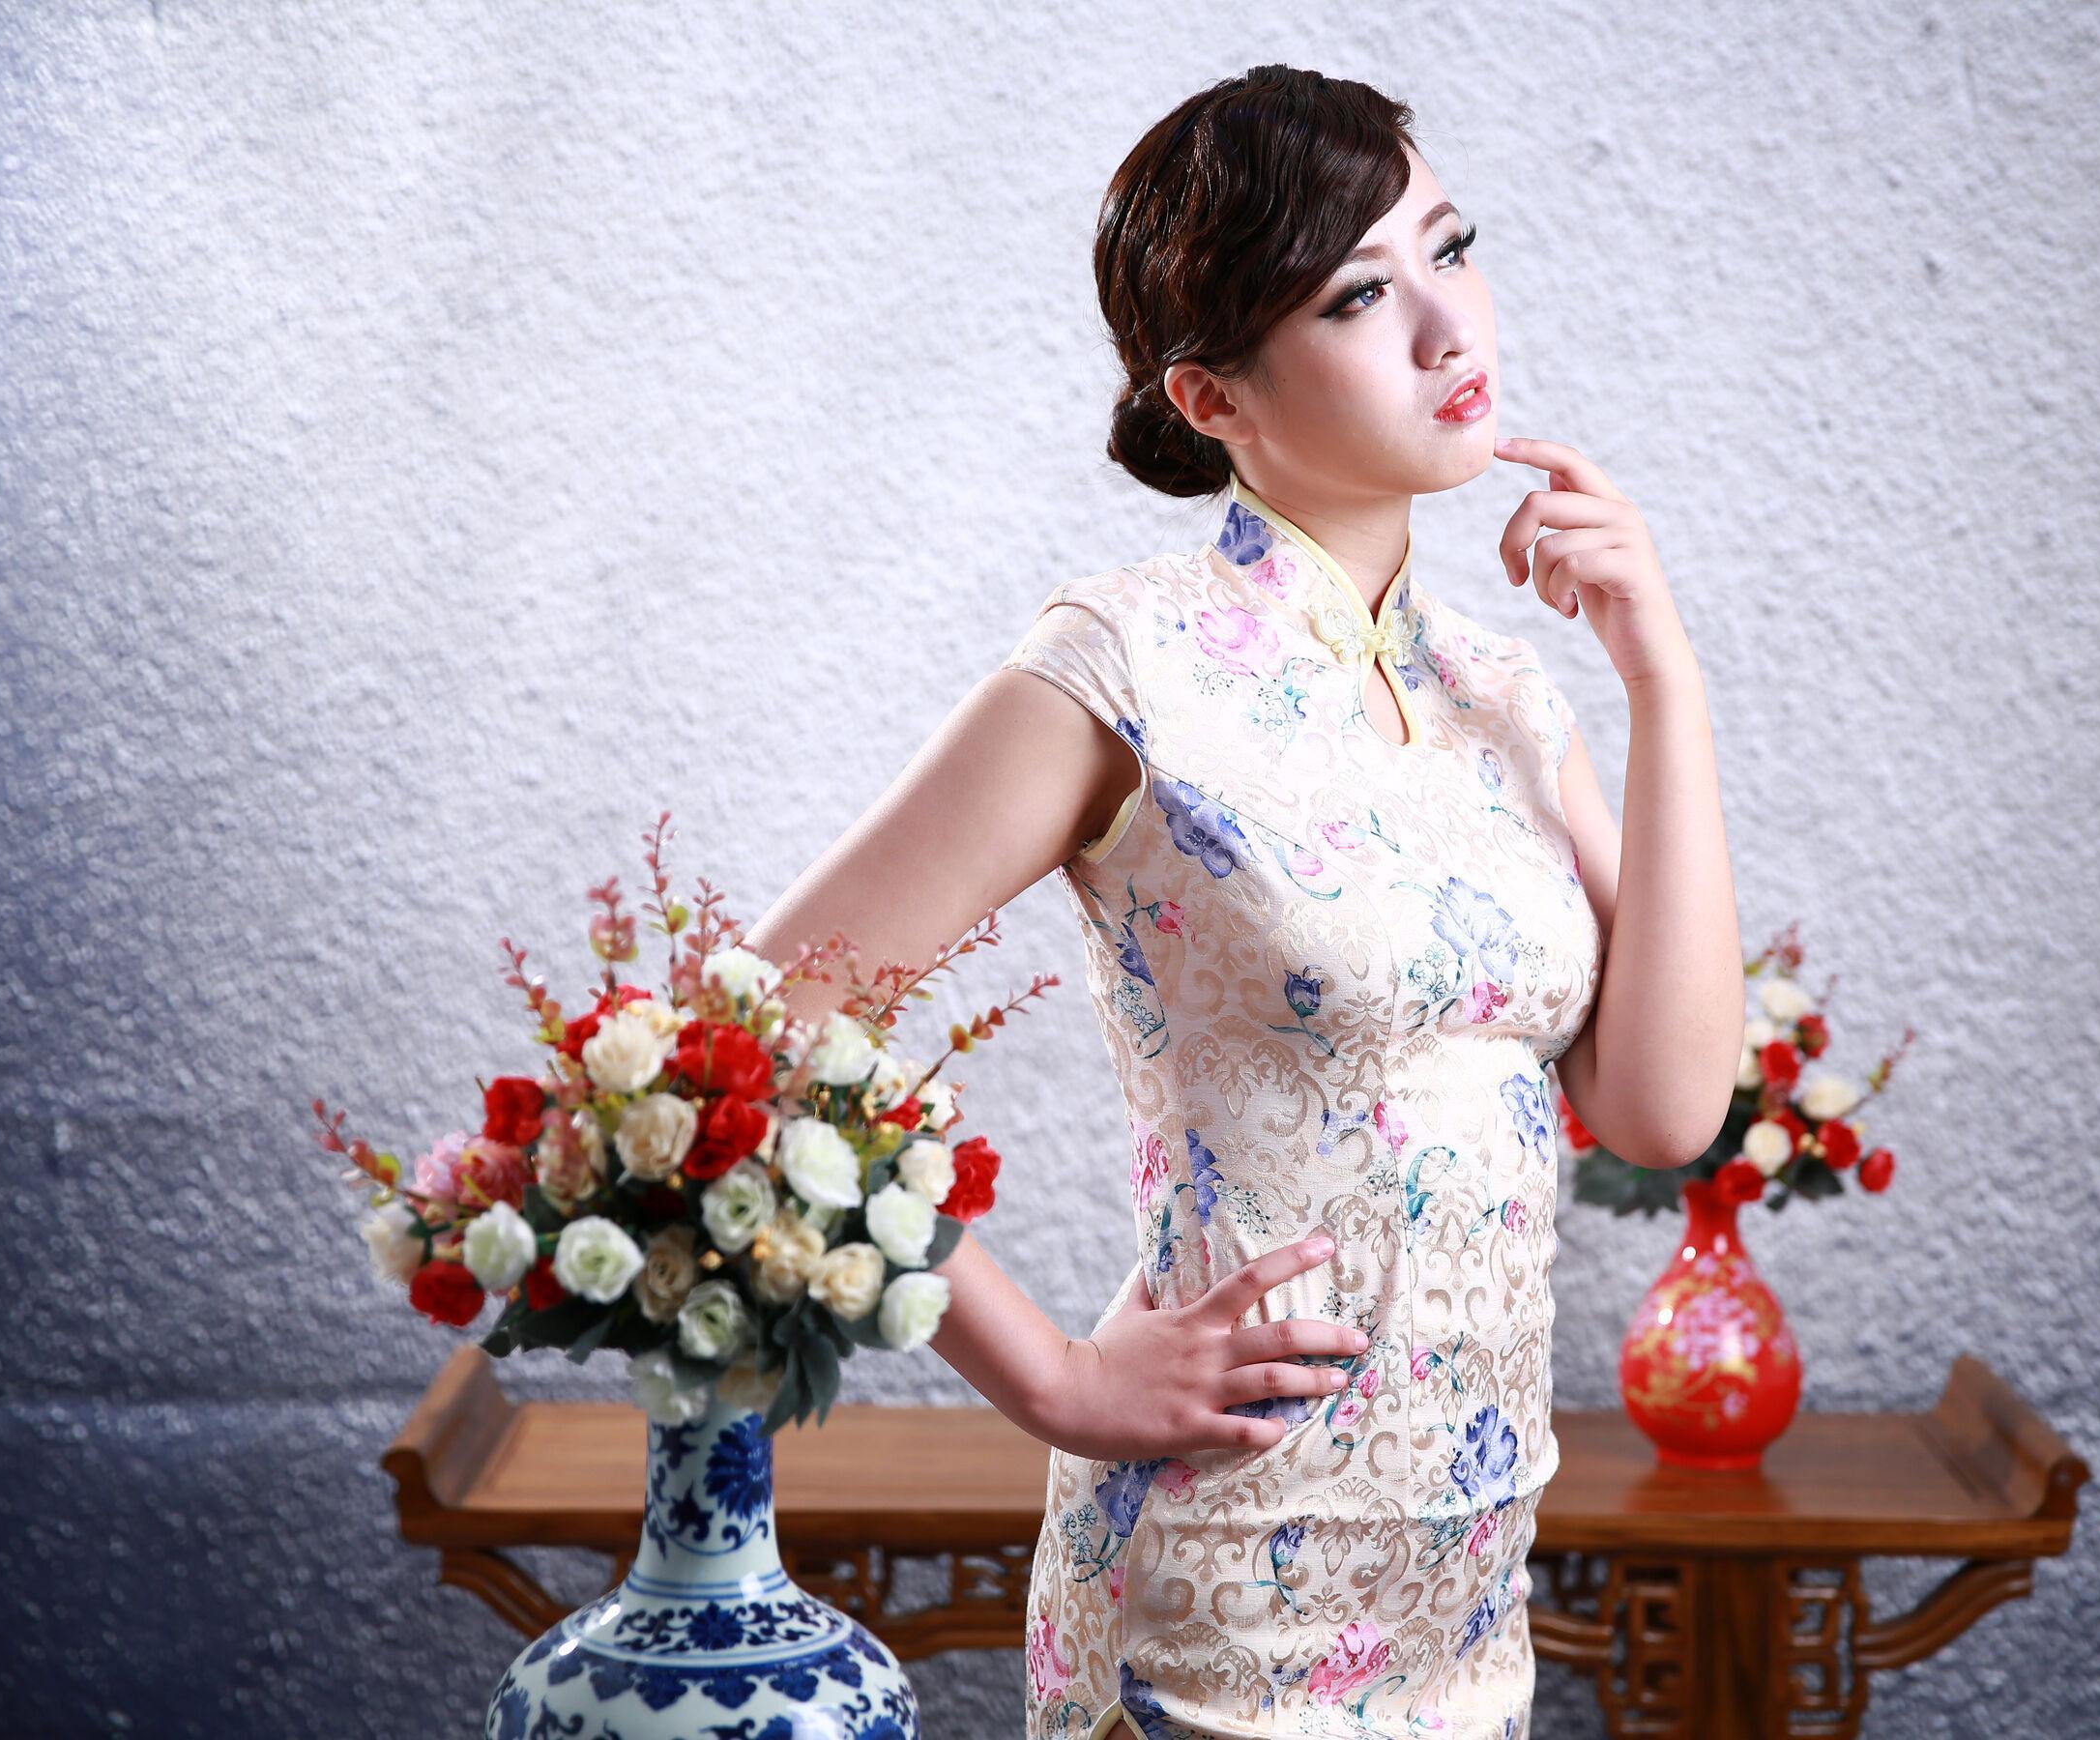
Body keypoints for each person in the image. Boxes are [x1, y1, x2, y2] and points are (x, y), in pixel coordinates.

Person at [746, 63, 1741, 1740]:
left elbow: (1664, 1108)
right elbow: (762, 1025)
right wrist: (1056, 1381)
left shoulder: (1507, 694)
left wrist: (1665, 681)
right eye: (1359, 294)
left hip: (1470, 1599)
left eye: (1449, 248)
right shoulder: (1128, 664)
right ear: (1210, 398)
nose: (1448, 326)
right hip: (1221, 1596)